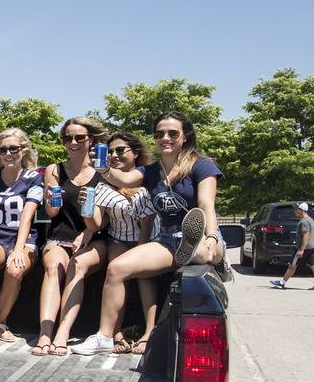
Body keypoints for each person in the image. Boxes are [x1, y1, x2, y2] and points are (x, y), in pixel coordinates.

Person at [72, 111, 225, 355]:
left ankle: (212, 253)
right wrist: (102, 169)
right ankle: (104, 336)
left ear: (185, 137)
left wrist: (211, 236)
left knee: (204, 251)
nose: (165, 137)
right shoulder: (151, 171)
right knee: (117, 268)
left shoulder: (202, 165)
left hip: (202, 232)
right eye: (159, 134)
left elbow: (207, 205)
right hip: (167, 240)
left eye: (172, 133)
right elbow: (123, 177)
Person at [51, 131, 159, 355]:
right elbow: (95, 225)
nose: (114, 155)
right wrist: (86, 209)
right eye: (110, 152)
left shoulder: (146, 181)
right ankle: (114, 333)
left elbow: (147, 223)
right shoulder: (103, 185)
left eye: (120, 150)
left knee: (144, 276)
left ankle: (150, 333)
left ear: (135, 153)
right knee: (115, 269)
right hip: (118, 238)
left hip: (145, 238)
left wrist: (140, 252)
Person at [34, 117, 108, 356]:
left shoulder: (103, 171)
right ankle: (45, 334)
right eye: (68, 138)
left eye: (79, 137)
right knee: (53, 266)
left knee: (77, 265)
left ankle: (62, 333)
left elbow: (104, 218)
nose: (73, 142)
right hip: (60, 235)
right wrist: (49, 200)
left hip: (96, 236)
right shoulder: (54, 170)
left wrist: (87, 232)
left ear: (91, 140)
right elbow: (52, 212)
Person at [0, 128, 44, 349]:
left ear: (24, 151)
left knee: (14, 270)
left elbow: (28, 216)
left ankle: (0, 322)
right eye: (3, 149)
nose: (8, 153)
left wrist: (19, 249)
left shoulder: (34, 178)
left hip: (23, 237)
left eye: (14, 148)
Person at [272, 202, 314, 290]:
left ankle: (282, 282)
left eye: (297, 210)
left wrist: (301, 249)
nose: (295, 212)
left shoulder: (304, 222)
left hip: (304, 247)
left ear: (302, 211)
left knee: (292, 265)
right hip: (312, 247)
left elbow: (306, 235)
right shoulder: (310, 219)